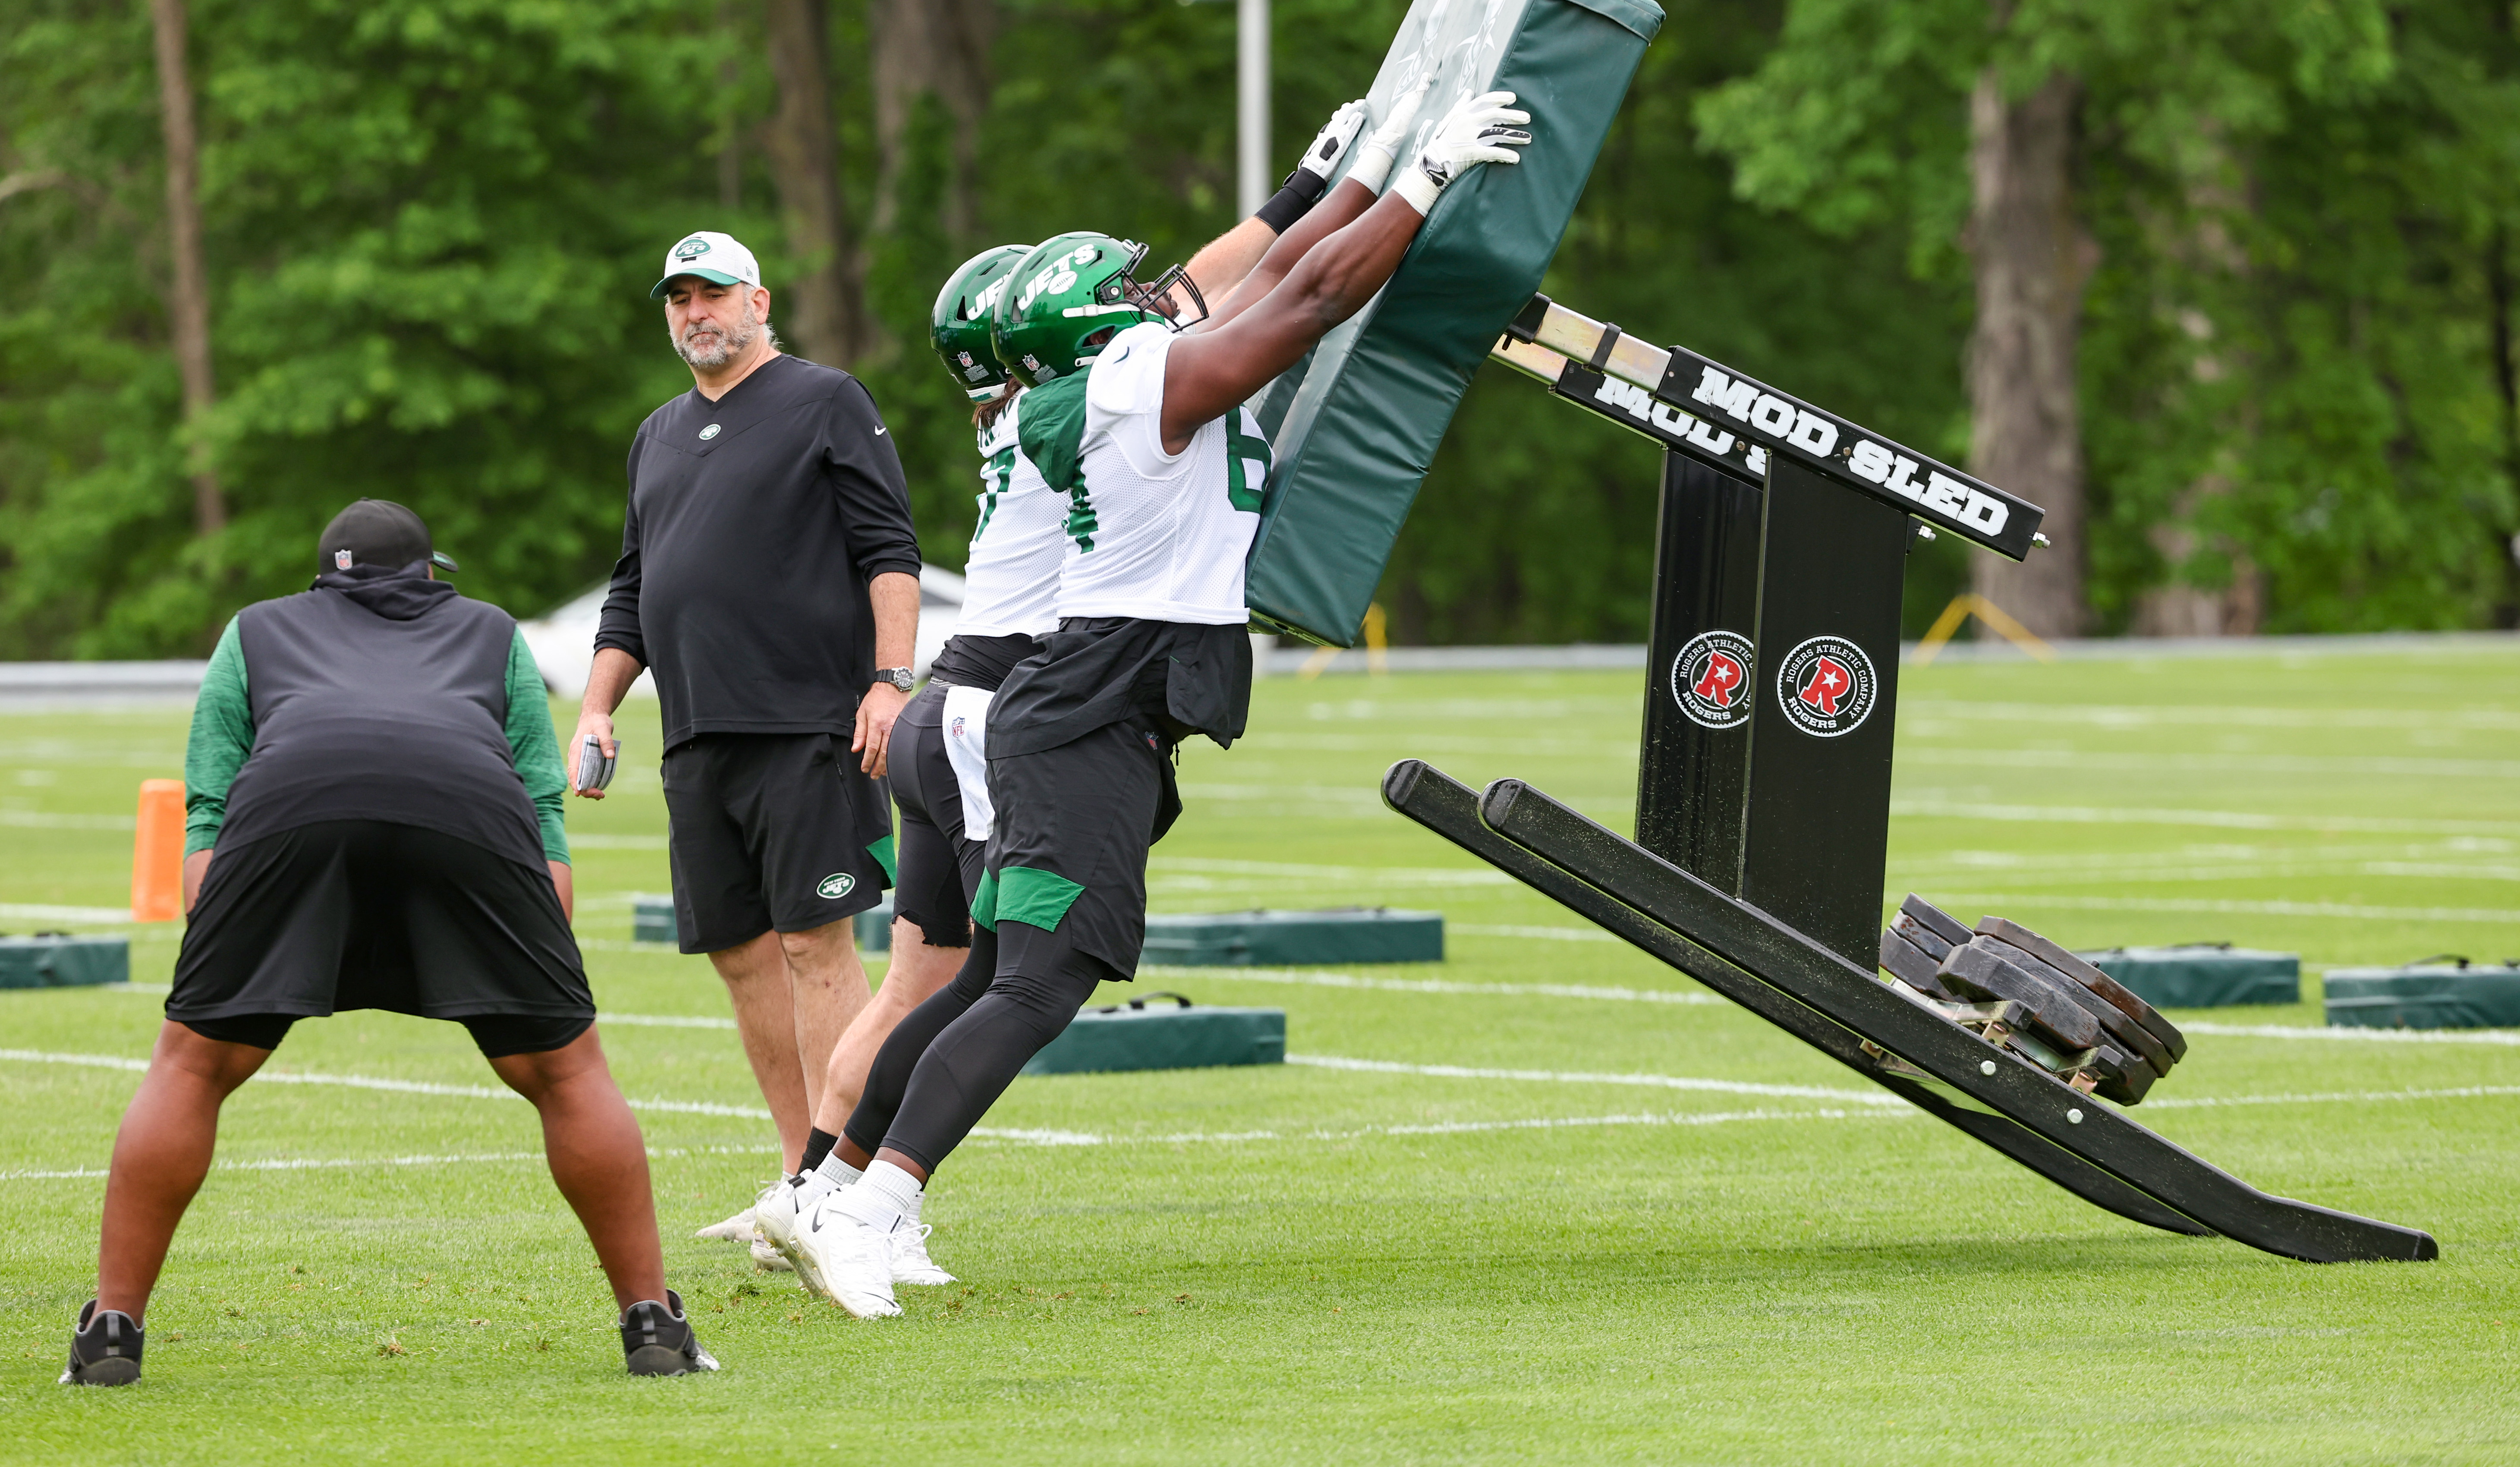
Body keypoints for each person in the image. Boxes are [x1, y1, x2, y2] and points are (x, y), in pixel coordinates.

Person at [790, 85, 1533, 1317]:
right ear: (1093, 321)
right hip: (1091, 702)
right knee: (1036, 986)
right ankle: (865, 1213)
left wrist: (1353, 169)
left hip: (1078, 690)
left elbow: (1277, 272)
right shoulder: (1133, 386)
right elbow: (1302, 300)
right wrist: (1423, 180)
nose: (1157, 296)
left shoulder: (1104, 375)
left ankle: (844, 1195)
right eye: (1129, 292)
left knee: (988, 981)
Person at [61, 501, 712, 1385]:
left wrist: (215, 974)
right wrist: (547, 989)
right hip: (469, 810)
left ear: (324, 578)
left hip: (290, 807)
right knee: (568, 1072)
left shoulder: (253, 630)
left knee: (188, 1067)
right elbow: (541, 813)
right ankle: (653, 1327)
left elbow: (209, 812)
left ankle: (110, 1332)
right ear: (428, 576)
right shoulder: (490, 631)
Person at [573, 231, 922, 1269]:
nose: (694, 313)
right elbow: (634, 587)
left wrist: (889, 683)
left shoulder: (824, 399)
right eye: (677, 298)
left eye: (711, 294)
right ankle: (796, 1178)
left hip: (808, 726)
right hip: (697, 738)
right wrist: (598, 708)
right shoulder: (657, 433)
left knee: (819, 949)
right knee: (739, 957)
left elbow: (889, 551)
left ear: (757, 299)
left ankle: (857, 1188)